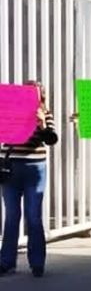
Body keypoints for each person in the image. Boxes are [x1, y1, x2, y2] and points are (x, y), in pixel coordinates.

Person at [0, 82, 57, 277]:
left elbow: (51, 139)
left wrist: (41, 123)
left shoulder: (45, 113)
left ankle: (37, 262)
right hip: (10, 168)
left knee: (33, 216)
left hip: (34, 168)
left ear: (41, 96)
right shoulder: (8, 110)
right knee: (11, 216)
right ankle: (6, 262)